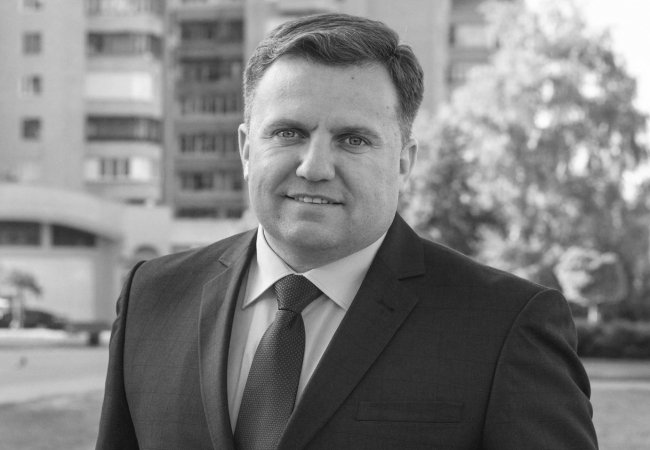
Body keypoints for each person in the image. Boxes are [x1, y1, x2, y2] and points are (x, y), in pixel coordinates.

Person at [96, 13, 598, 450]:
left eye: (353, 139)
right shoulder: (152, 296)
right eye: (288, 132)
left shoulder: (505, 326)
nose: (314, 167)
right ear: (247, 149)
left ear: (404, 161)